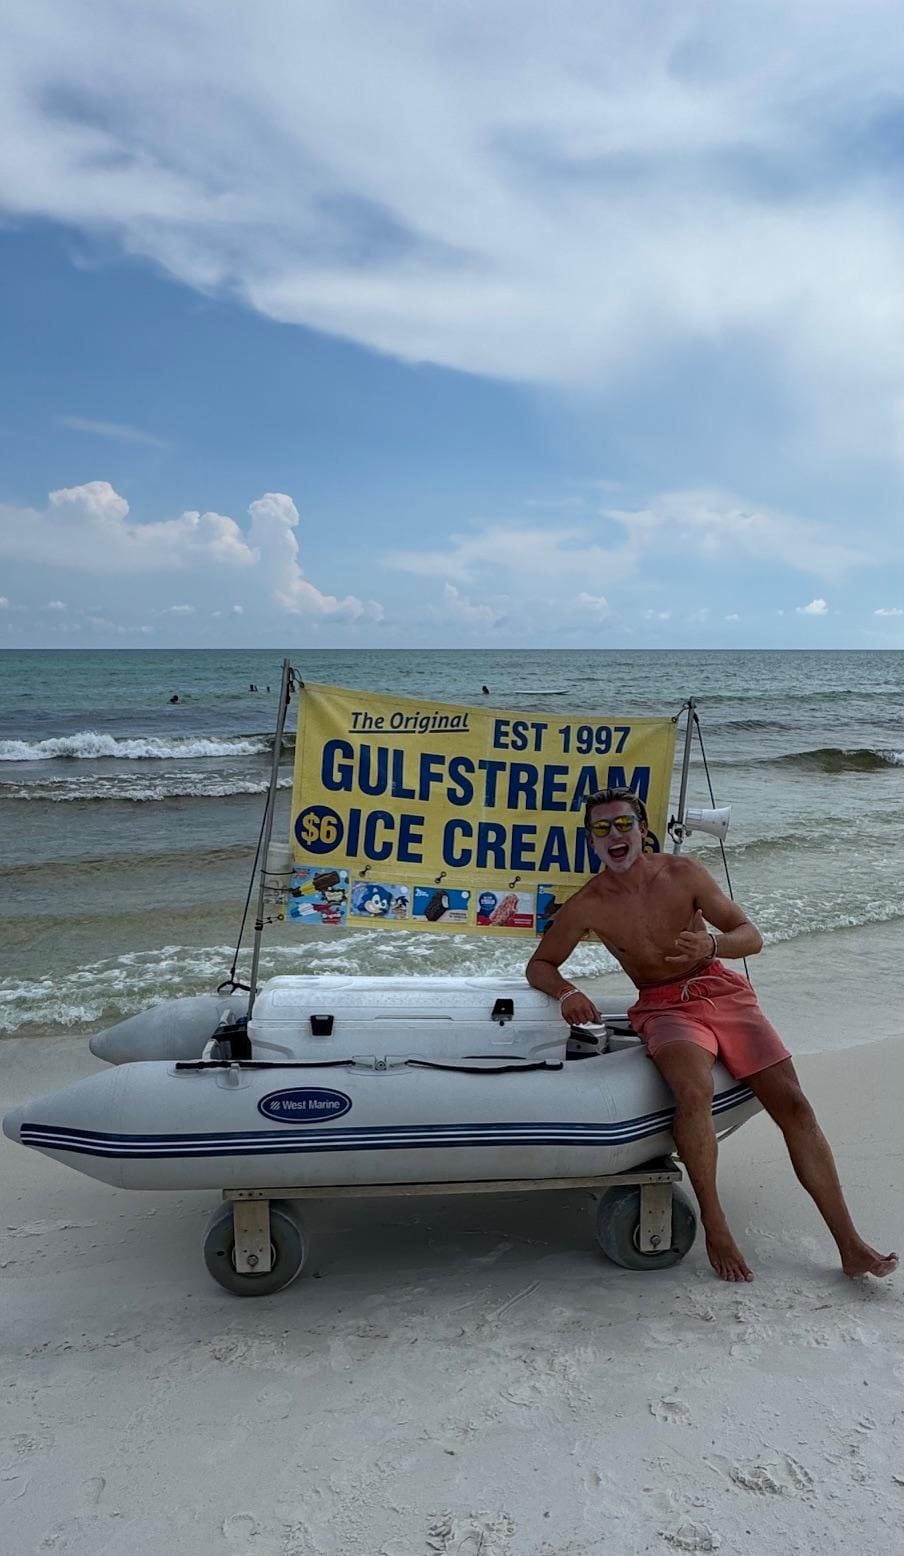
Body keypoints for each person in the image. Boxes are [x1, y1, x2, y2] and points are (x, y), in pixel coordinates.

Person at [526, 786, 898, 1284]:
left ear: (642, 829)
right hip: (663, 1006)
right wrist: (568, 991)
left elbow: (751, 936)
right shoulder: (589, 905)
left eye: (622, 824)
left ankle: (850, 1245)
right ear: (590, 841)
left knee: (794, 1105)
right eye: (601, 828)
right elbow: (541, 964)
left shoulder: (685, 875)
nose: (613, 835)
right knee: (693, 1091)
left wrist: (712, 946)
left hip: (721, 990)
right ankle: (715, 1224)